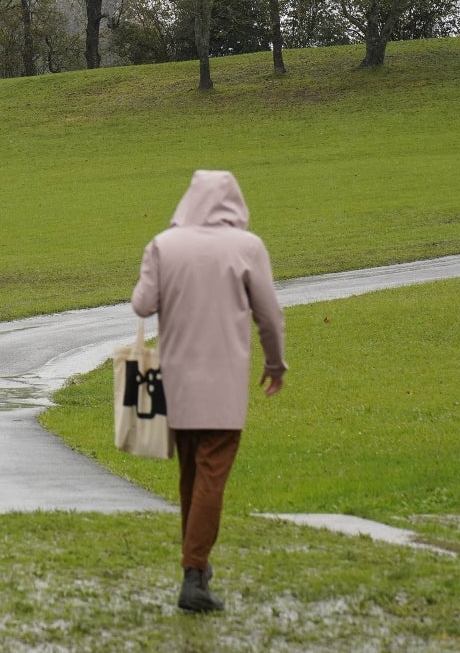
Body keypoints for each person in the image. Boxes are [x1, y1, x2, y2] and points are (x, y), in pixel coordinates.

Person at [131, 169, 287, 613]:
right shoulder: (247, 247)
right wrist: (275, 365)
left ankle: (194, 565)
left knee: (190, 478)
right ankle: (195, 575)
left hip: (175, 386)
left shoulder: (164, 244)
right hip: (223, 390)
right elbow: (271, 317)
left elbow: (142, 304)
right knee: (210, 481)